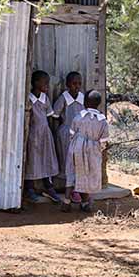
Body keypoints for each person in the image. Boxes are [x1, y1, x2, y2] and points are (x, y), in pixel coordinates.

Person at [64, 90, 109, 212]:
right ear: (99, 104)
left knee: (72, 172)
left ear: (84, 103)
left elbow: (71, 134)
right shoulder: (102, 121)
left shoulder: (78, 117)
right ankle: (85, 203)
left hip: (76, 148)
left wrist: (77, 144)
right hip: (93, 150)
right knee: (87, 174)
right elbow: (104, 141)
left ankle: (66, 202)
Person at [25, 70, 60, 203]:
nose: (47, 85)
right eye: (45, 82)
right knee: (32, 160)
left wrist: (51, 133)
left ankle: (48, 186)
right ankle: (30, 188)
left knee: (47, 159)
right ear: (35, 83)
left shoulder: (45, 98)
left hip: (45, 134)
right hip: (33, 134)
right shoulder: (29, 99)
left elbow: (49, 117)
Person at [52, 71, 85, 204]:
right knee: (66, 160)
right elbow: (55, 115)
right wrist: (56, 132)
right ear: (67, 85)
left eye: (79, 84)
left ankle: (76, 188)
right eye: (74, 83)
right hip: (66, 133)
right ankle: (67, 188)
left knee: (78, 161)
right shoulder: (64, 98)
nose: (77, 86)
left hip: (80, 134)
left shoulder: (82, 97)